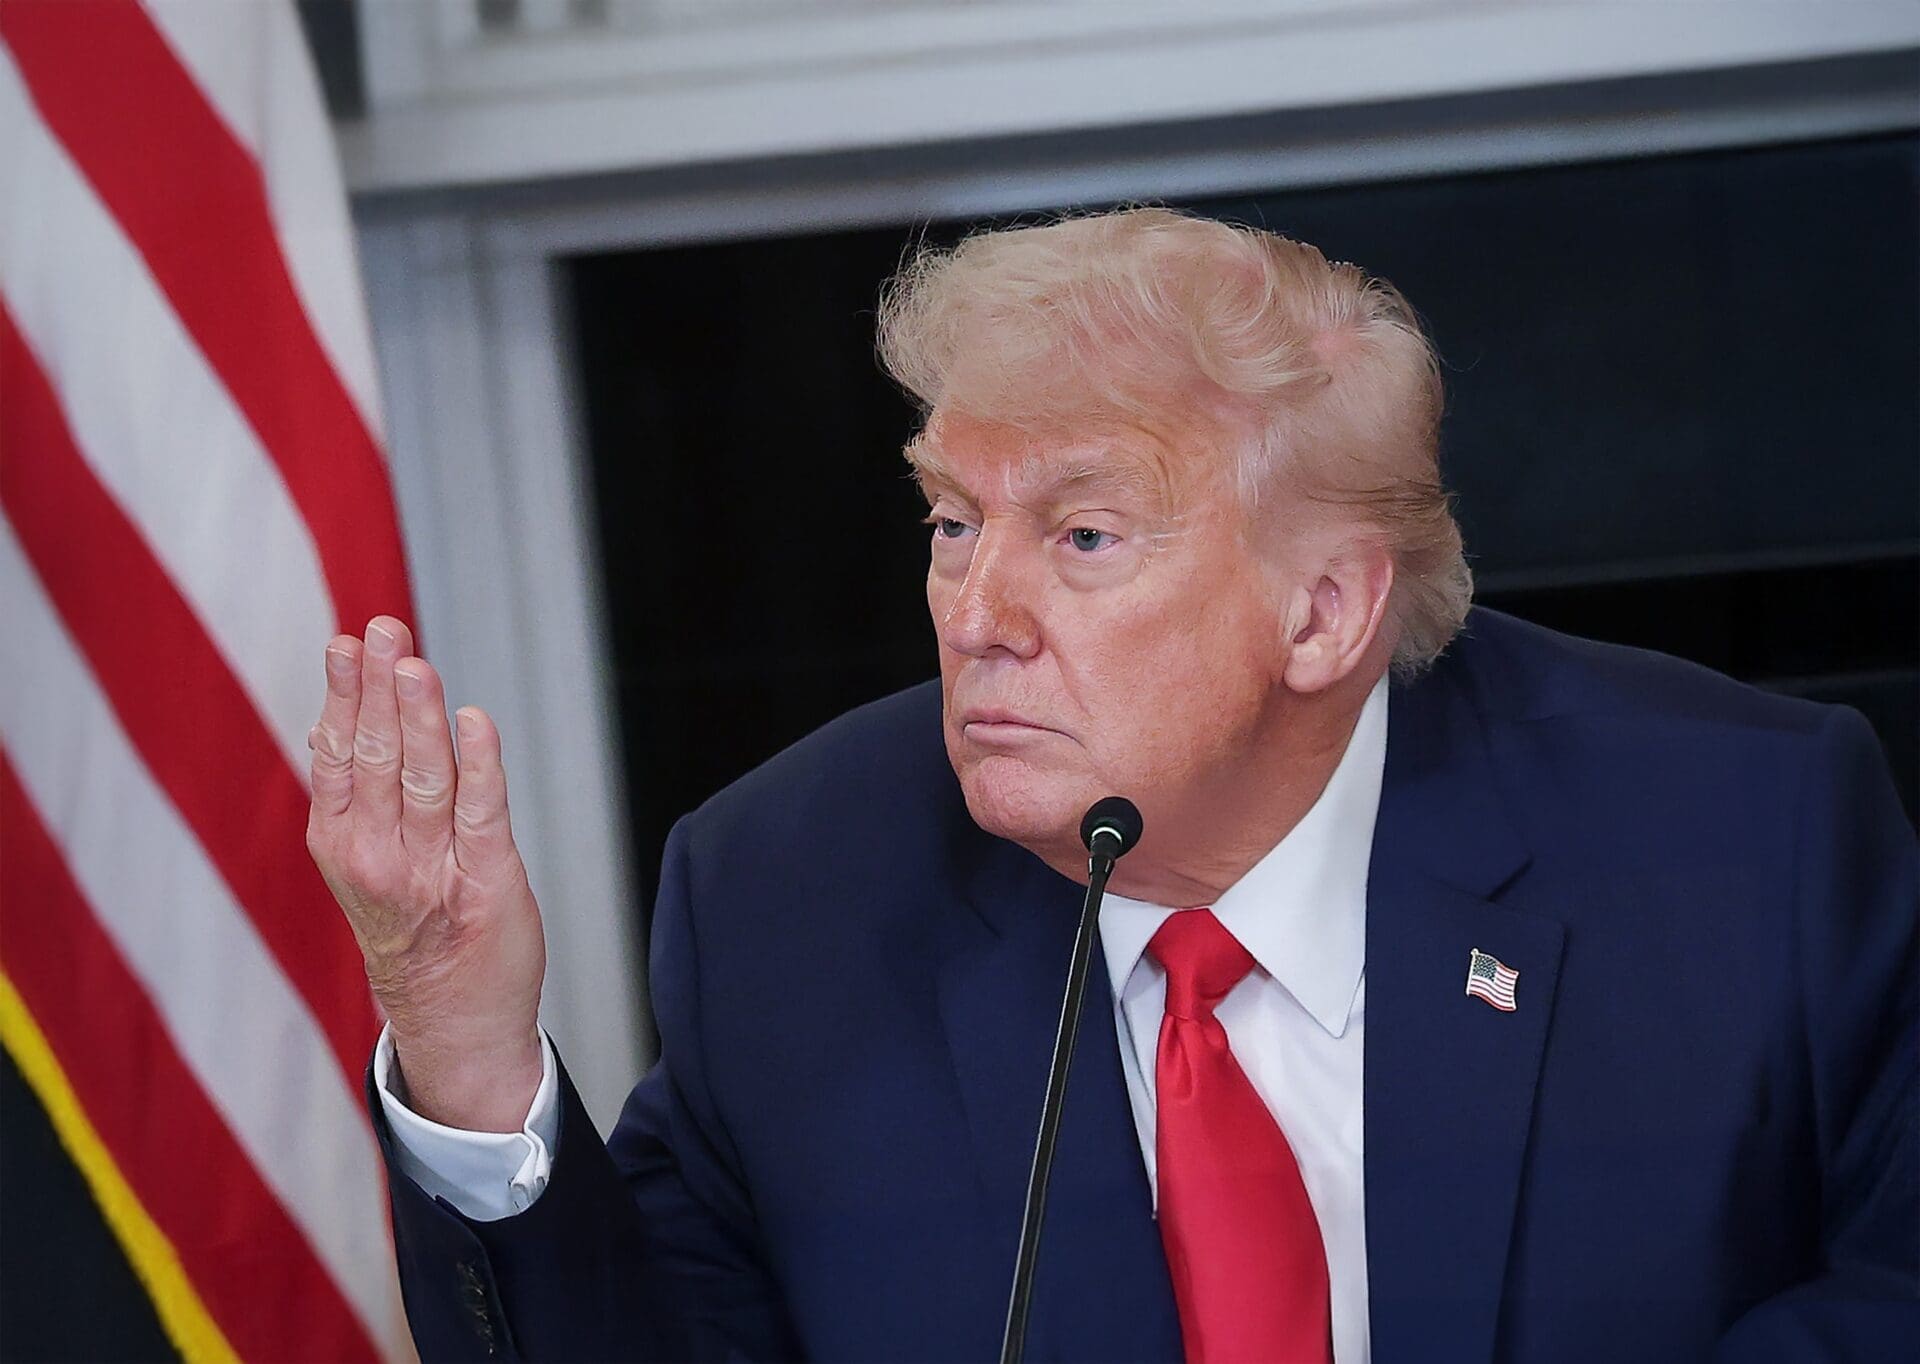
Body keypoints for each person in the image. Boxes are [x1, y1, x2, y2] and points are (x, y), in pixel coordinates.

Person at [306, 208, 1917, 1363]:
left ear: (1326, 612)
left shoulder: (1737, 835)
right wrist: (459, 1042)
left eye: (1082, 536)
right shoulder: (793, 894)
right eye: (952, 523)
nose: (974, 615)